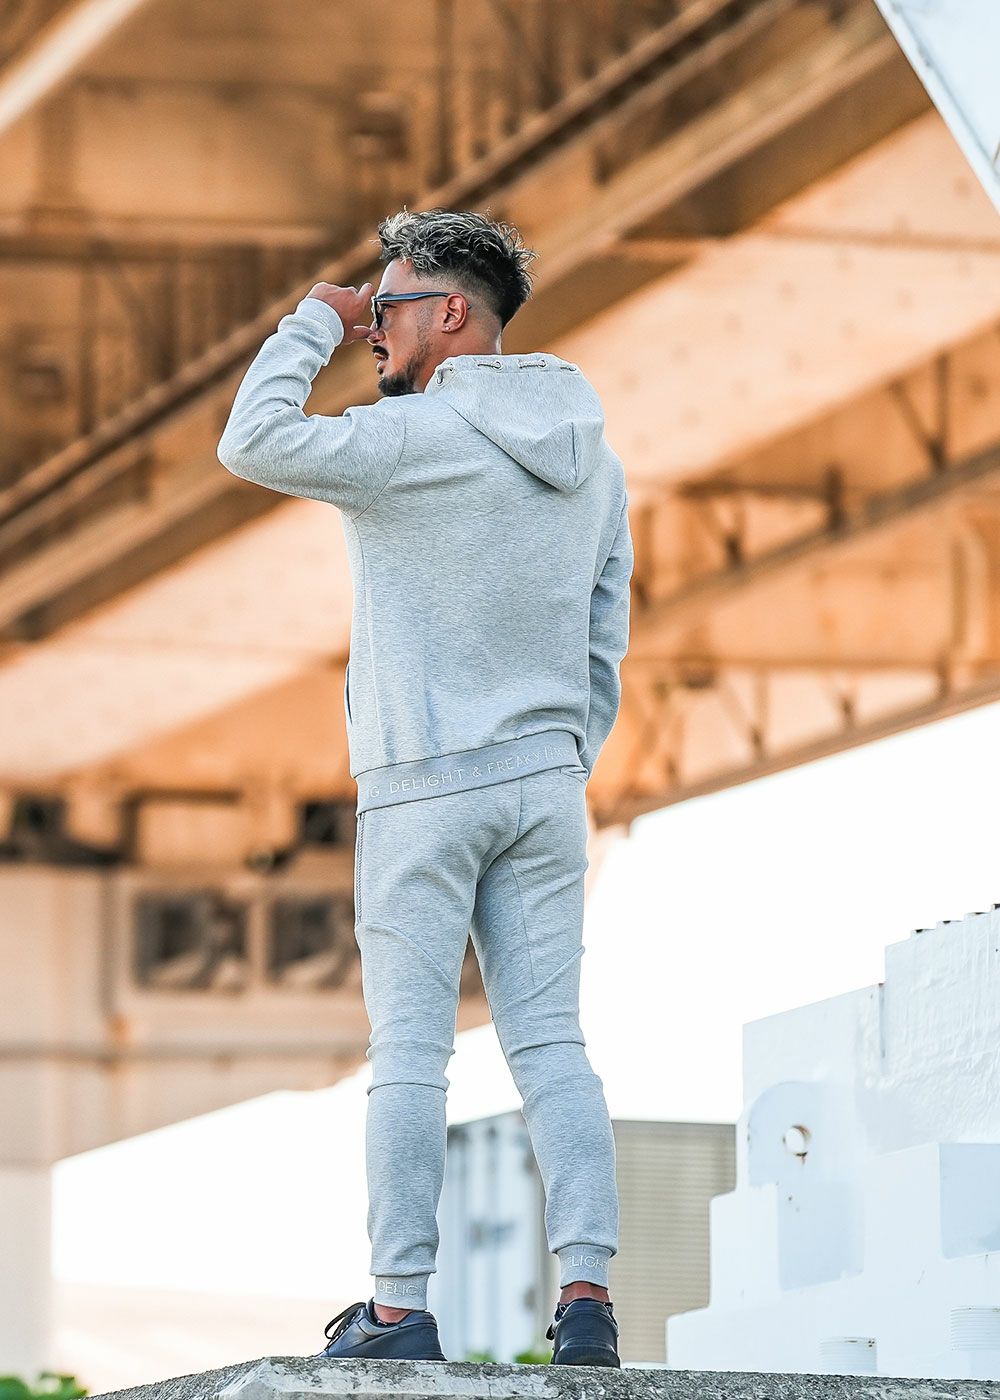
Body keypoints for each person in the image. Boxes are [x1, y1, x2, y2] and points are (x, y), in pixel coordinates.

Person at [217, 207, 633, 1366]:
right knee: (552, 1044)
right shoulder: (592, 457)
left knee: (409, 1050)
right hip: (545, 784)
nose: (373, 330)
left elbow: (252, 440)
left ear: (450, 311)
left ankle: (399, 1307)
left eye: (387, 305)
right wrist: (560, 754)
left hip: (420, 787)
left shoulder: (408, 439)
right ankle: (587, 1299)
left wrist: (311, 320)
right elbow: (605, 629)